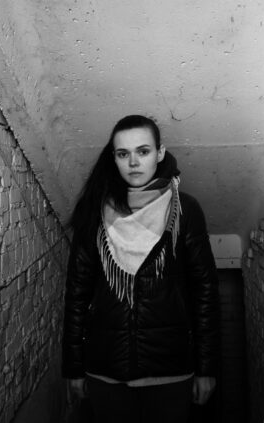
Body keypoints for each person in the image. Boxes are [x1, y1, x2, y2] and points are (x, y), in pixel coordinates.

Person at [62, 115, 220, 423]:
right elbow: (76, 295)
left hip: (171, 371)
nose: (133, 162)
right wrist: (72, 368)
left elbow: (205, 292)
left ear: (160, 153)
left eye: (143, 151)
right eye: (123, 154)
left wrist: (208, 368)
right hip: (105, 371)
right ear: (114, 158)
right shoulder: (94, 212)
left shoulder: (185, 209)